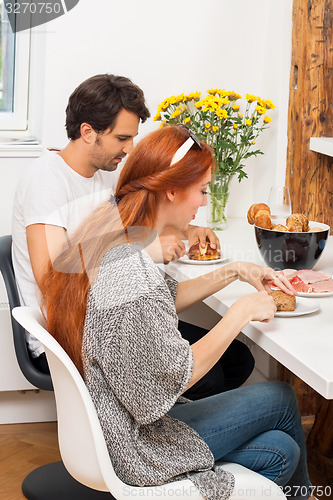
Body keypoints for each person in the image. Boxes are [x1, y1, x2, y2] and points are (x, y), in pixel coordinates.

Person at [40, 125, 314, 500]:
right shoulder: (132, 271)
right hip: (134, 446)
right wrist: (240, 312)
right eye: (202, 191)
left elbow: (161, 301)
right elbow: (170, 380)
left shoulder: (114, 235)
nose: (204, 202)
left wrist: (235, 270)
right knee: (282, 397)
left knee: (281, 450)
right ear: (171, 190)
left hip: (116, 426)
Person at [12, 73, 254, 397]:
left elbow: (136, 228)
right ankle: (150, 441)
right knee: (209, 377)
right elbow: (53, 278)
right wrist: (147, 250)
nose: (129, 148)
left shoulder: (103, 177)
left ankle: (174, 434)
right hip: (72, 334)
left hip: (111, 315)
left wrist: (190, 227)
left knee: (237, 359)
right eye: (122, 138)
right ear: (88, 132)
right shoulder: (46, 182)